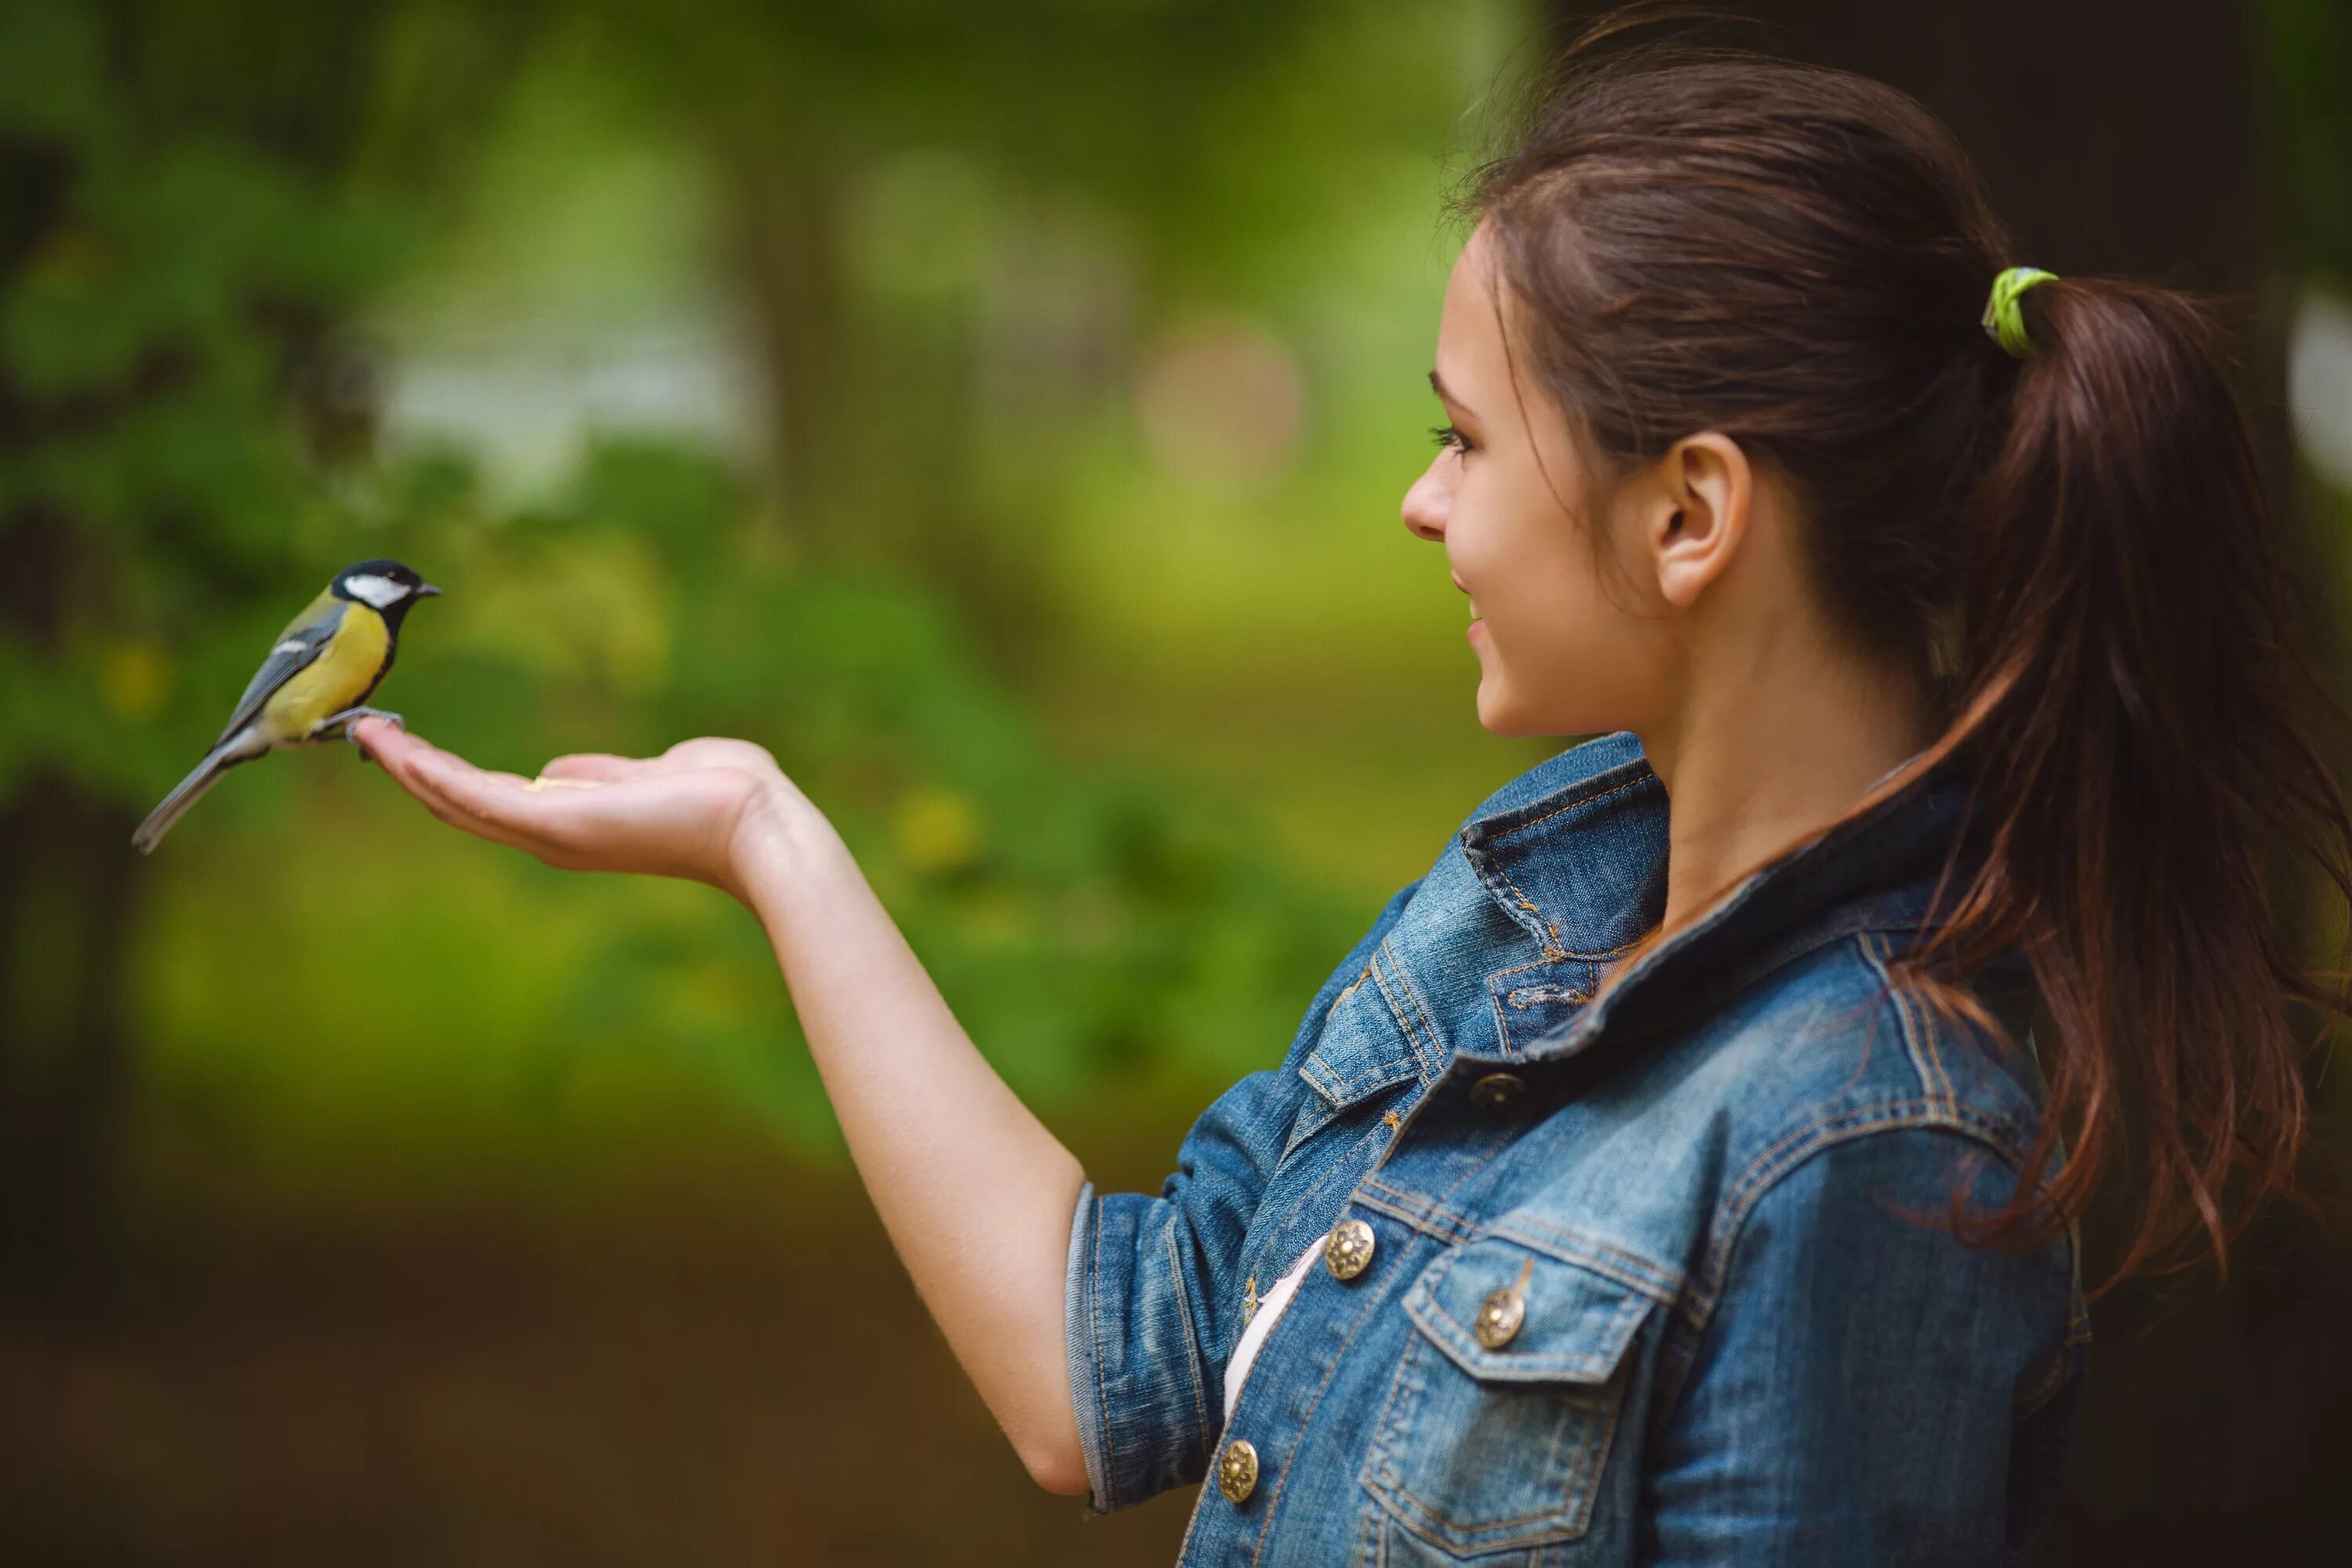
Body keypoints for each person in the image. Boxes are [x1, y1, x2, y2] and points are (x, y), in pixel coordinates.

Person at [350, 18, 2352, 1566]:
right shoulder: (1529, 910)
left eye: (1462, 437)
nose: (1420, 499)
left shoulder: (1871, 1145)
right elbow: (1106, 1369)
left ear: (1691, 513)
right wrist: (769, 838)